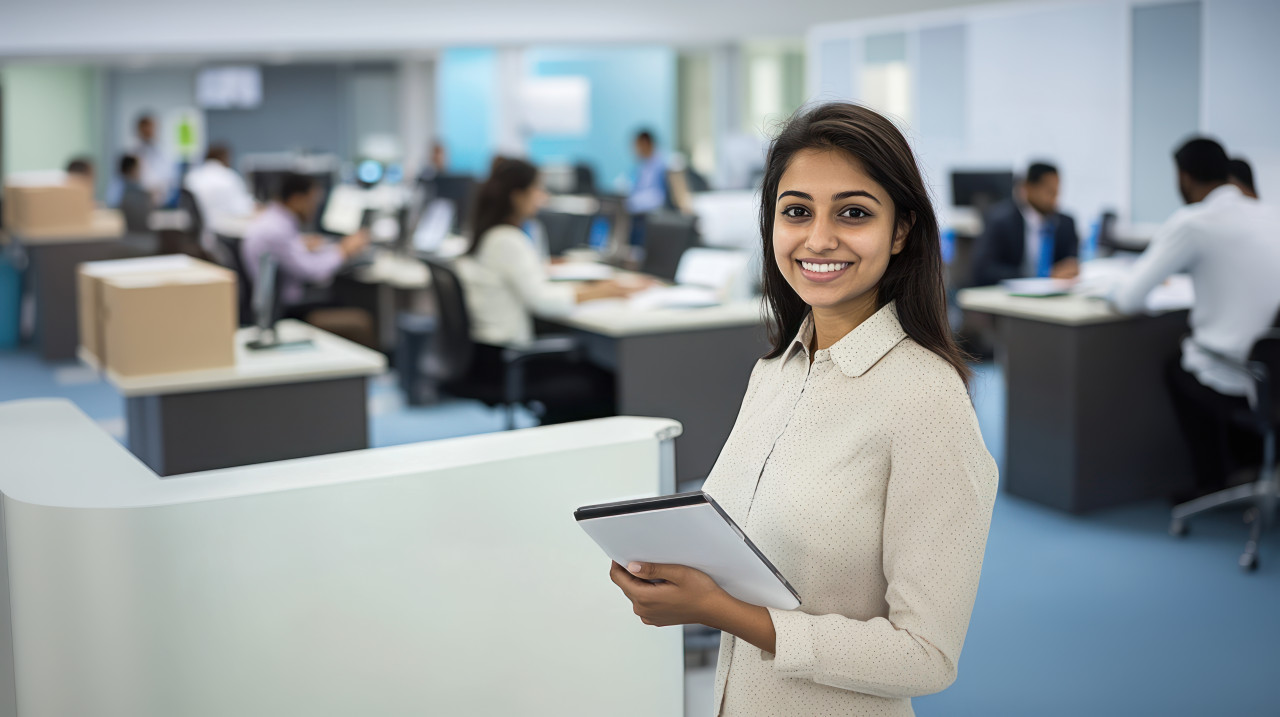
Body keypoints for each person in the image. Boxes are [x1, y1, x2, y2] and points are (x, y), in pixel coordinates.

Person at [606, 102, 998, 716]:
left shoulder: (927, 400)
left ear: (901, 230)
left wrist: (722, 614)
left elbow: (926, 656)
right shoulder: (775, 371)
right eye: (796, 212)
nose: (818, 239)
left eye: (853, 213)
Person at [1111, 137, 1280, 503]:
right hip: (1273, 366)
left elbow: (1128, 299)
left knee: (1181, 367)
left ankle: (1212, 482)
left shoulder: (1194, 222)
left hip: (1251, 376)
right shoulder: (1270, 213)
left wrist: (1109, 283)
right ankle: (1249, 463)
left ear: (1184, 177)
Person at [454, 157, 637, 424]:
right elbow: (541, 300)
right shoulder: (507, 240)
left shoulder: (489, 235)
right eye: (537, 189)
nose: (543, 196)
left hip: (489, 357)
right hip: (509, 361)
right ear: (518, 196)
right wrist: (603, 291)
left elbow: (530, 283)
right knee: (606, 381)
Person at [241, 172, 369, 311]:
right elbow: (312, 273)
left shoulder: (272, 220)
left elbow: (285, 253)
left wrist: (300, 244)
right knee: (358, 316)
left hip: (275, 300)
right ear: (297, 199)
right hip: (288, 307)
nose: (314, 209)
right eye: (312, 201)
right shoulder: (276, 230)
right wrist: (343, 251)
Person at [971, 162, 1081, 286]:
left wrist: (1070, 269)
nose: (1055, 199)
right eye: (1049, 192)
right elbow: (984, 271)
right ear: (1028, 188)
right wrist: (1040, 277)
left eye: (1056, 193)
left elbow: (1070, 261)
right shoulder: (1001, 221)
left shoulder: (1065, 223)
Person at [184, 143, 256, 253]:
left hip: (200, 238)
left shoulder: (191, 177)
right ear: (224, 157)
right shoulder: (228, 177)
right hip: (223, 238)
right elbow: (243, 210)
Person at [626, 129, 669, 247]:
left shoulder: (661, 165)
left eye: (637, 146)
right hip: (639, 213)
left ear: (645, 143)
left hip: (652, 215)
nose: (636, 150)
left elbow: (658, 197)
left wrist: (633, 202)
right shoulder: (642, 165)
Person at [129, 113, 176, 206]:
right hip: (139, 201)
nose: (149, 131)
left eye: (151, 128)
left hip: (161, 200)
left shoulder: (162, 151)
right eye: (145, 128)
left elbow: (170, 176)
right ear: (139, 129)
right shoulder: (132, 153)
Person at [115, 154, 154, 233]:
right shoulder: (141, 195)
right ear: (132, 170)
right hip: (140, 237)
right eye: (139, 168)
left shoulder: (116, 190)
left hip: (125, 236)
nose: (141, 172)